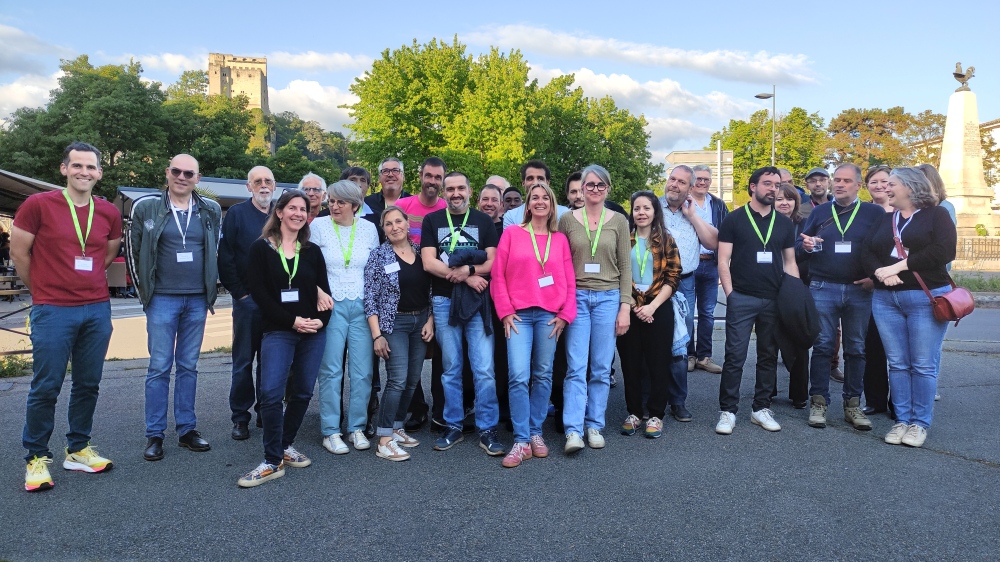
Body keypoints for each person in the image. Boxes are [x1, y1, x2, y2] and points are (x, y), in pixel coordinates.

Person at [14, 142, 121, 492]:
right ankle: (35, 457)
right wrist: (44, 291)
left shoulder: (107, 212)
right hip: (53, 308)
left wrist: (84, 284)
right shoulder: (38, 205)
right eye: (77, 166)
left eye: (90, 167)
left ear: (99, 173)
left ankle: (77, 449)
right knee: (46, 386)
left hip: (96, 308)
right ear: (64, 169)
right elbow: (20, 253)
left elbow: (105, 255)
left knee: (88, 384)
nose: (84, 172)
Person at [128, 154, 221, 461]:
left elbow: (214, 250)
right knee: (158, 366)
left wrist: (211, 290)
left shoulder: (210, 209)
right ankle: (154, 433)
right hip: (162, 298)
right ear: (167, 173)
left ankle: (186, 430)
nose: (182, 177)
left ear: (198, 177)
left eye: (189, 173)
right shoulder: (146, 207)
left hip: (196, 298)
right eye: (177, 171)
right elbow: (134, 250)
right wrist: (145, 293)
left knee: (189, 366)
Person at [238, 190, 332, 487]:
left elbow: (325, 294)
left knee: (303, 391)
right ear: (279, 212)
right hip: (279, 329)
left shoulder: (312, 251)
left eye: (303, 209)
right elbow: (261, 296)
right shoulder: (261, 249)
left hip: (312, 331)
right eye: (292, 208)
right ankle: (270, 460)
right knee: (271, 392)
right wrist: (293, 321)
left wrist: (320, 321)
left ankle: (284, 445)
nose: (298, 213)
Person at [863, 168, 956, 448]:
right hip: (885, 299)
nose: (885, 189)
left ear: (911, 187)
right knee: (898, 363)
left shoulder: (936, 214)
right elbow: (866, 250)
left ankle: (919, 424)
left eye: (892, 184)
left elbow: (944, 251)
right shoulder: (886, 218)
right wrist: (880, 271)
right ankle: (901, 420)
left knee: (923, 365)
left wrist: (899, 266)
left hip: (925, 297)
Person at [491, 183, 576, 467]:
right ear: (527, 205)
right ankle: (521, 439)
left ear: (552, 205)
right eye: (534, 198)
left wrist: (566, 314)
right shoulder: (512, 234)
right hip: (518, 316)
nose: (540, 202)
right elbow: (498, 276)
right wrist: (504, 311)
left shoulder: (560, 239)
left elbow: (570, 280)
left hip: (549, 316)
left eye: (545, 198)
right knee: (517, 375)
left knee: (542, 374)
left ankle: (536, 432)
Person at [421, 171, 504, 455]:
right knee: (451, 367)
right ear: (443, 193)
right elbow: (429, 263)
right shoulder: (433, 220)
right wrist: (468, 276)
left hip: (478, 302)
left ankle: (488, 428)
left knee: (484, 368)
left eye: (460, 188)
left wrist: (469, 270)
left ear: (470, 191)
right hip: (445, 302)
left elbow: (493, 262)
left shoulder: (482, 221)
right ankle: (453, 425)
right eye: (450, 189)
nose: (455, 193)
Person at [797, 164, 883, 431]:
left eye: (846, 180)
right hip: (823, 286)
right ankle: (819, 403)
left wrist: (875, 278)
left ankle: (853, 405)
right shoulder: (821, 211)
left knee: (856, 348)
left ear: (859, 185)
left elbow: (884, 248)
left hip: (860, 289)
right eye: (837, 179)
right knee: (822, 347)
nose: (840, 184)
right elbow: (800, 245)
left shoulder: (874, 212)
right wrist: (807, 246)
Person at [715, 167, 799, 435]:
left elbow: (790, 262)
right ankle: (728, 411)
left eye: (777, 184)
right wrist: (730, 294)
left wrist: (794, 296)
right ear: (753, 187)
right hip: (742, 297)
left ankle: (761, 408)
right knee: (734, 356)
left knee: (768, 356)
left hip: (773, 299)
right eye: (767, 184)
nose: (773, 189)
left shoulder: (785, 223)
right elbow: (723, 260)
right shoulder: (734, 219)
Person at [558, 164, 633, 453]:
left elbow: (625, 267)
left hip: (608, 298)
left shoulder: (618, 221)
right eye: (590, 185)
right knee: (576, 367)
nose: (595, 190)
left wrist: (624, 307)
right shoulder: (567, 220)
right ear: (581, 188)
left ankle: (594, 425)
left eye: (601, 185)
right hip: (576, 296)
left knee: (601, 368)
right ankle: (573, 431)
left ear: (608, 189)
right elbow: (560, 262)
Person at [312, 180, 380, 454]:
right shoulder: (317, 226)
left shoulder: (369, 229)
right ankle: (330, 431)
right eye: (332, 200)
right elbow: (308, 265)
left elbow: (374, 270)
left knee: (363, 371)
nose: (334, 206)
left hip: (362, 307)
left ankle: (357, 428)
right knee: (330, 370)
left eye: (341, 202)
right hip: (331, 306)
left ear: (355, 205)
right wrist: (317, 292)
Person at [364, 206, 435, 461]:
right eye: (388, 224)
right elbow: (370, 298)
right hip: (394, 325)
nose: (394, 227)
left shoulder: (420, 252)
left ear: (407, 223)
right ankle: (384, 440)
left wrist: (431, 320)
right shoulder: (378, 256)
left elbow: (430, 291)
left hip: (420, 323)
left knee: (413, 379)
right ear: (383, 229)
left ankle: (396, 427)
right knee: (397, 380)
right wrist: (377, 335)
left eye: (398, 221)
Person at [617, 191, 680, 439]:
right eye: (636, 208)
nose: (641, 213)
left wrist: (652, 307)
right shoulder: (624, 239)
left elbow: (673, 276)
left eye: (646, 208)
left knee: (658, 364)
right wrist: (634, 305)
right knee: (630, 364)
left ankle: (655, 415)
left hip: (659, 308)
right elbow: (618, 274)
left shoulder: (666, 239)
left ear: (655, 211)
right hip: (628, 307)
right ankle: (633, 413)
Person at [219, 165, 275, 440]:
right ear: (248, 187)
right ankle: (240, 417)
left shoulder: (281, 213)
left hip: (276, 304)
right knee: (243, 362)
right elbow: (226, 256)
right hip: (248, 302)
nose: (263, 185)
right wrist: (240, 293)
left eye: (268, 181)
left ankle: (266, 410)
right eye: (257, 181)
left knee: (271, 360)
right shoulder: (237, 214)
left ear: (274, 186)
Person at [660, 165, 719, 421]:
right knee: (652, 342)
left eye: (682, 182)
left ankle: (677, 400)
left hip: (684, 284)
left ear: (690, 187)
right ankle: (649, 400)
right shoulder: (651, 206)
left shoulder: (694, 211)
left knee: (680, 344)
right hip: (652, 284)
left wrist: (693, 216)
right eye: (672, 179)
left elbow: (713, 242)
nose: (675, 184)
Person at [397, 157, 448, 430]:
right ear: (420, 175)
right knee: (409, 355)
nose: (432, 181)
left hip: (440, 285)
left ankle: (441, 410)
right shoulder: (403, 207)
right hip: (410, 288)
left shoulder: (447, 209)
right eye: (428, 175)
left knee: (440, 354)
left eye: (438, 177)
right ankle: (416, 408)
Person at [689, 165, 729, 376]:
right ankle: (688, 355)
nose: (702, 182)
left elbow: (727, 235)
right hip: (687, 264)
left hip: (711, 264)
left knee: (707, 313)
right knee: (686, 313)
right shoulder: (682, 203)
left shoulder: (719, 205)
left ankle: (704, 356)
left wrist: (725, 263)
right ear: (691, 180)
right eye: (698, 179)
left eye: (706, 179)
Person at [772, 181, 809, 408]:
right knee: (769, 340)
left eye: (789, 199)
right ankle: (768, 390)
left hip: (798, 286)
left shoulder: (805, 224)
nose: (784, 203)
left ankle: (799, 394)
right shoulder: (766, 224)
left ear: (796, 202)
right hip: (770, 286)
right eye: (779, 199)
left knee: (799, 340)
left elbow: (808, 251)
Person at [861, 165, 893, 416]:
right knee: (872, 346)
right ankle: (875, 399)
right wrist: (873, 276)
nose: (880, 186)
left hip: (900, 286)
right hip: (869, 287)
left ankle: (900, 401)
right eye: (873, 182)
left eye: (885, 181)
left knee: (900, 351)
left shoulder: (907, 211)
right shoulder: (865, 212)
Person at [502, 161, 570, 228]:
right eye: (530, 178)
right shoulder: (511, 216)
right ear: (523, 183)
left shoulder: (564, 213)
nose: (535, 182)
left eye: (540, 178)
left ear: (548, 183)